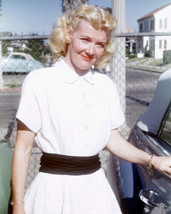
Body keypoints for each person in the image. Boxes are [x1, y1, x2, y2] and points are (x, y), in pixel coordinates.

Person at [11, 4, 171, 214]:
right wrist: (19, 204)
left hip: (96, 192)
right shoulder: (39, 81)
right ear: (68, 34)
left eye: (99, 44)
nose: (90, 51)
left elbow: (112, 140)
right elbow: (23, 148)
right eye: (85, 40)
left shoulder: (105, 85)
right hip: (51, 192)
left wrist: (153, 160)